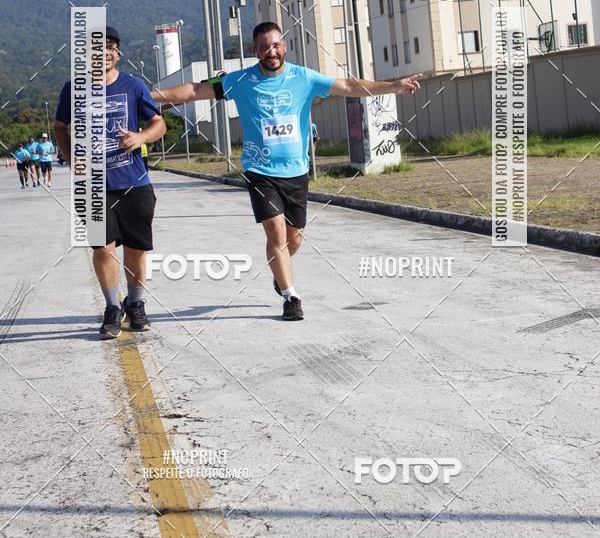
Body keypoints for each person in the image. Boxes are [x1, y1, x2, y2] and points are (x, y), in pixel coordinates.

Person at [152, 21, 421, 322]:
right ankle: (291, 296)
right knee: (276, 231)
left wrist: (393, 86)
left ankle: (279, 272)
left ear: (284, 46)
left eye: (276, 45)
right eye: (264, 47)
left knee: (294, 239)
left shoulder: (303, 77)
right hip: (259, 169)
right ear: (255, 51)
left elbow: (348, 86)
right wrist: (151, 95)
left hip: (296, 171)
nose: (271, 52)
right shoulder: (240, 80)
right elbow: (194, 90)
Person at [55, 26, 167, 339]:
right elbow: (60, 126)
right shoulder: (73, 89)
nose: (103, 52)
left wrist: (141, 136)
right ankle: (112, 307)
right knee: (102, 248)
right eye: (96, 47)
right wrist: (70, 158)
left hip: (134, 182)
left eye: (110, 46)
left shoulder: (133, 85)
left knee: (136, 248)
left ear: (117, 53)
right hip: (92, 185)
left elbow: (159, 123)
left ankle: (136, 303)